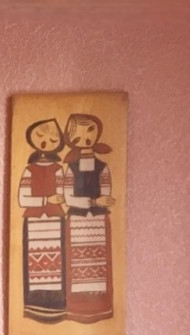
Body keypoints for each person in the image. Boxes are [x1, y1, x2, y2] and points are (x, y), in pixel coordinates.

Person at [61, 112, 116, 322]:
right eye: (78, 135)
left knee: (99, 264)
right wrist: (93, 201)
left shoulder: (102, 166)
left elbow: (107, 196)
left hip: (98, 221)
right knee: (76, 264)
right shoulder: (70, 168)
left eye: (90, 131)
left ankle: (100, 307)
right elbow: (68, 198)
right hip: (77, 220)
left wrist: (95, 202)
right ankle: (76, 308)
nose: (85, 138)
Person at [17, 118, 69, 322]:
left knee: (57, 262)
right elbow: (22, 199)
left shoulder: (59, 169)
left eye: (53, 138)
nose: (47, 141)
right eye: (41, 137)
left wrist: (59, 199)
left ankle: (56, 303)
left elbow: (64, 194)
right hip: (34, 221)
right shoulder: (29, 170)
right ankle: (35, 302)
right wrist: (46, 200)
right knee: (34, 263)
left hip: (55, 219)